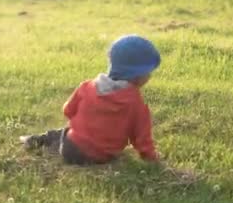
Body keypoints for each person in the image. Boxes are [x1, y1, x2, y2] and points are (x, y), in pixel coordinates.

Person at [20, 35, 161, 165]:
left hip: (69, 150)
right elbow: (142, 139)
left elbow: (68, 111)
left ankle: (37, 140)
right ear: (137, 76)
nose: (150, 77)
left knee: (66, 132)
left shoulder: (87, 86)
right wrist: (151, 157)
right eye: (148, 73)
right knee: (79, 135)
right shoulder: (136, 104)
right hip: (103, 157)